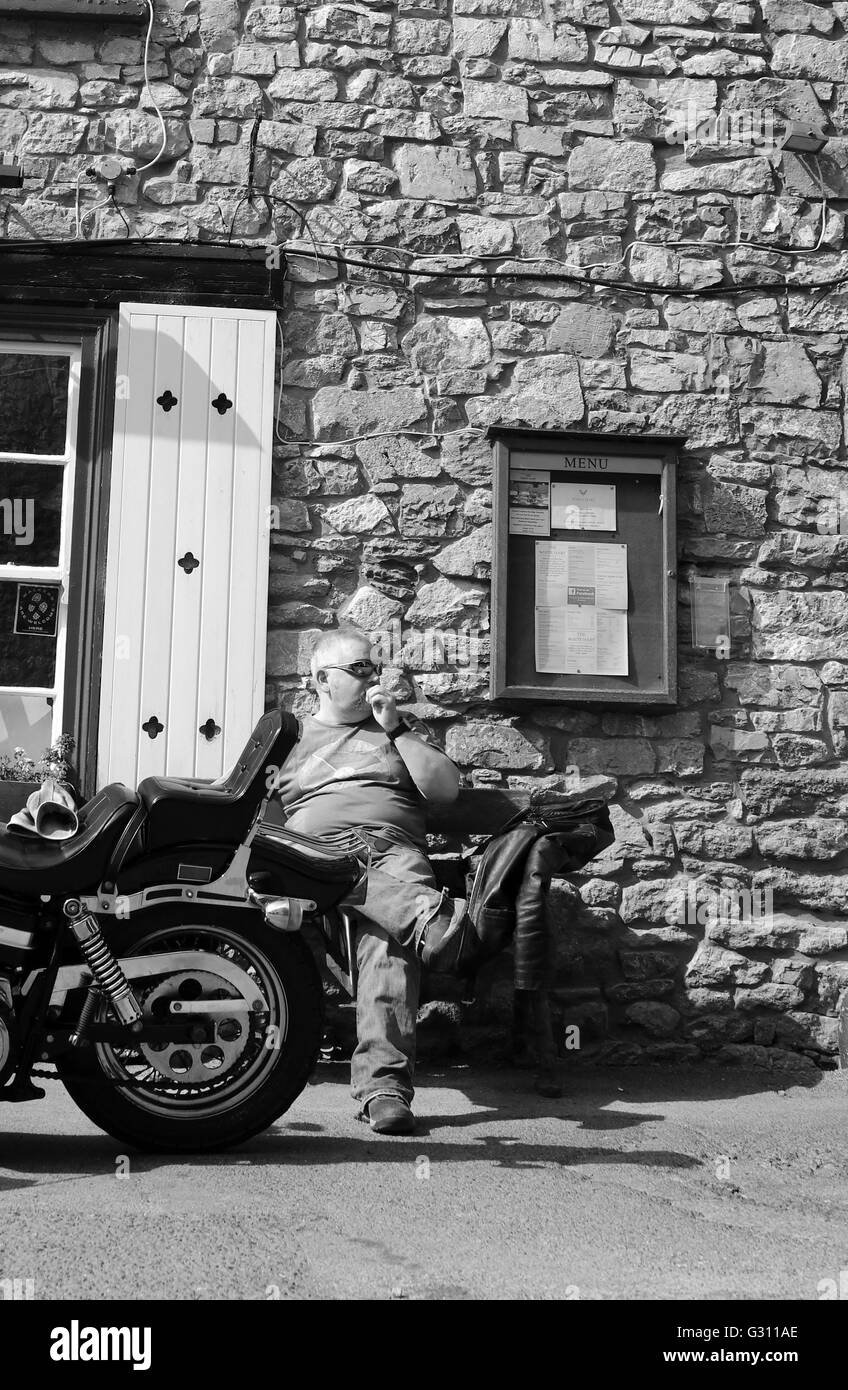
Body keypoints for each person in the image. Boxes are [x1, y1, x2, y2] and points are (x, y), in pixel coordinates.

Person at [272, 624, 478, 1135]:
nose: (371, 678)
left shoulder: (395, 731)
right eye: (359, 668)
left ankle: (384, 1090)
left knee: (384, 942)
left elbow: (448, 792)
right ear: (321, 678)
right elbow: (253, 818)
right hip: (312, 859)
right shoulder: (288, 739)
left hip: (391, 856)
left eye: (374, 669)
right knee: (393, 913)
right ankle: (427, 921)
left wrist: (398, 729)